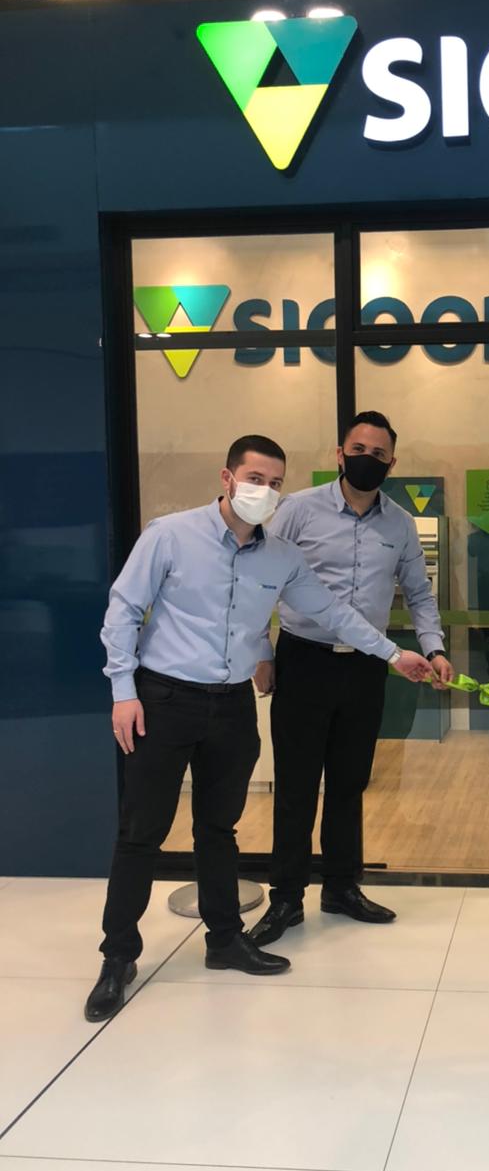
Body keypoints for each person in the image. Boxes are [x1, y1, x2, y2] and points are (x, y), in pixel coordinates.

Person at [86, 435, 431, 1022]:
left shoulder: (282, 558)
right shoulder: (170, 536)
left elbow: (333, 612)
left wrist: (394, 655)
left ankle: (224, 939)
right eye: (254, 479)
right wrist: (123, 692)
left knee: (219, 829)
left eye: (274, 483)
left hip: (231, 707)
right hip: (163, 699)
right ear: (227, 478)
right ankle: (118, 956)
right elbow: (122, 611)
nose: (264, 492)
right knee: (141, 833)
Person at [249, 411, 454, 946]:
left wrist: (434, 647)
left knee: (349, 783)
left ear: (392, 462)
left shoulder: (400, 524)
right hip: (304, 659)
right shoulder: (298, 510)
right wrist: (261, 651)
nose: (368, 459)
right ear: (340, 454)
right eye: (358, 449)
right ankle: (286, 898)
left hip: (366, 667)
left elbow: (420, 594)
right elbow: (260, 580)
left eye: (379, 453)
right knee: (296, 786)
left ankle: (341, 887)